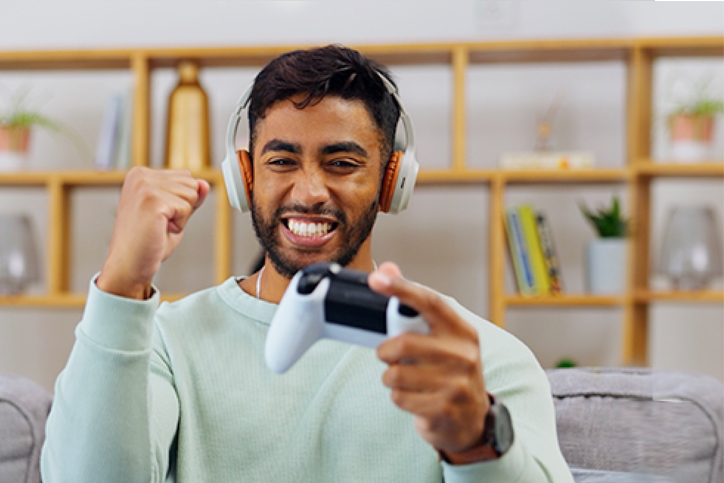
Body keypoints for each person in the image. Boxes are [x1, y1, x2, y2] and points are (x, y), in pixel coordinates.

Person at [41, 45, 574, 482]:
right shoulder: (163, 342)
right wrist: (121, 283)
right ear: (245, 178)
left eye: (342, 163)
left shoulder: (469, 358)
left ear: (391, 182)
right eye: (282, 161)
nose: (310, 191)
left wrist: (478, 443)